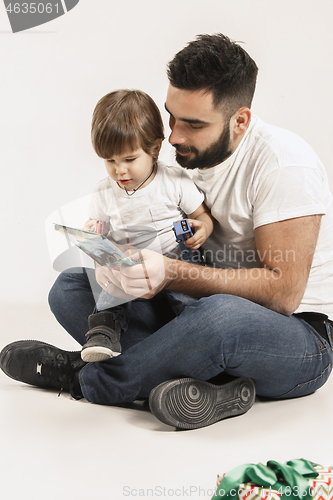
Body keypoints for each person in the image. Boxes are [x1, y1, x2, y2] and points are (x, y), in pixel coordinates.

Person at [1, 34, 333, 431]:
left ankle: (87, 378)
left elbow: (283, 295)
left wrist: (171, 274)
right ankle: (213, 387)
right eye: (172, 116)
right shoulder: (185, 158)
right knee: (72, 287)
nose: (174, 136)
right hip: (195, 310)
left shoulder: (283, 164)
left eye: (193, 124)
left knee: (219, 316)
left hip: (298, 340)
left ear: (240, 120)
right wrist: (116, 262)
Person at [79, 89, 213, 362]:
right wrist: (95, 237)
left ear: (155, 149)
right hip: (130, 267)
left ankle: (195, 343)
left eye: (129, 160)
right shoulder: (104, 191)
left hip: (175, 261)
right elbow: (97, 234)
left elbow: (203, 216)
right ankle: (104, 333)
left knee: (190, 303)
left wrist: (203, 230)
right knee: (108, 292)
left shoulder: (173, 180)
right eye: (110, 161)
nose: (120, 171)